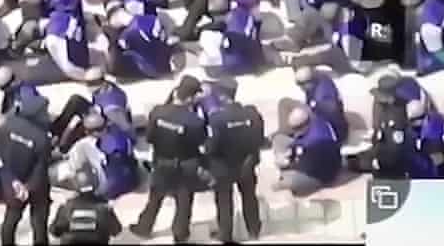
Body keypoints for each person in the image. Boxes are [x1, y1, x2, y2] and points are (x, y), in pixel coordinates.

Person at [129, 76, 209, 243]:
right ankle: (180, 234)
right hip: (185, 165)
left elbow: (149, 138)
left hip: (161, 162)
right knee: (184, 201)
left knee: (155, 197)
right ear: (190, 98)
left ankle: (144, 227)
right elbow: (201, 143)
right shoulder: (194, 121)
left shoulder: (157, 112)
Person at [206, 78, 265, 243]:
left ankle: (225, 234)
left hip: (223, 166)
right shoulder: (252, 114)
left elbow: (212, 146)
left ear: (222, 96)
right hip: (247, 163)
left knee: (224, 202)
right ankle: (254, 230)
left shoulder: (217, 119)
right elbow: (259, 139)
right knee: (249, 197)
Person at [0, 94, 53, 246]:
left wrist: (13, 182)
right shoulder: (41, 138)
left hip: (11, 182)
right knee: (39, 222)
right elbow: (40, 169)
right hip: (35, 187)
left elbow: (1, 154)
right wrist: (28, 187)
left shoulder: (7, 125)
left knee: (11, 218)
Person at [273, 106, 342, 196]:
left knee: (291, 184)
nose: (293, 131)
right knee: (279, 139)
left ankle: (286, 175)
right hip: (316, 156)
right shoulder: (317, 121)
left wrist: (287, 162)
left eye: (296, 128)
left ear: (304, 125)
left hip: (321, 173)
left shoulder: (311, 143)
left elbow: (306, 166)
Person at [48, 168, 124, 245]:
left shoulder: (67, 207)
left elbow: (54, 231)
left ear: (76, 184)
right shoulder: (104, 208)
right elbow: (116, 230)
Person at [294, 65, 349, 144]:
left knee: (298, 114)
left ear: (310, 81)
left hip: (332, 133)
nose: (300, 87)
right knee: (286, 103)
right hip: (319, 122)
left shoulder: (323, 96)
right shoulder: (316, 82)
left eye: (301, 84)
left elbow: (329, 116)